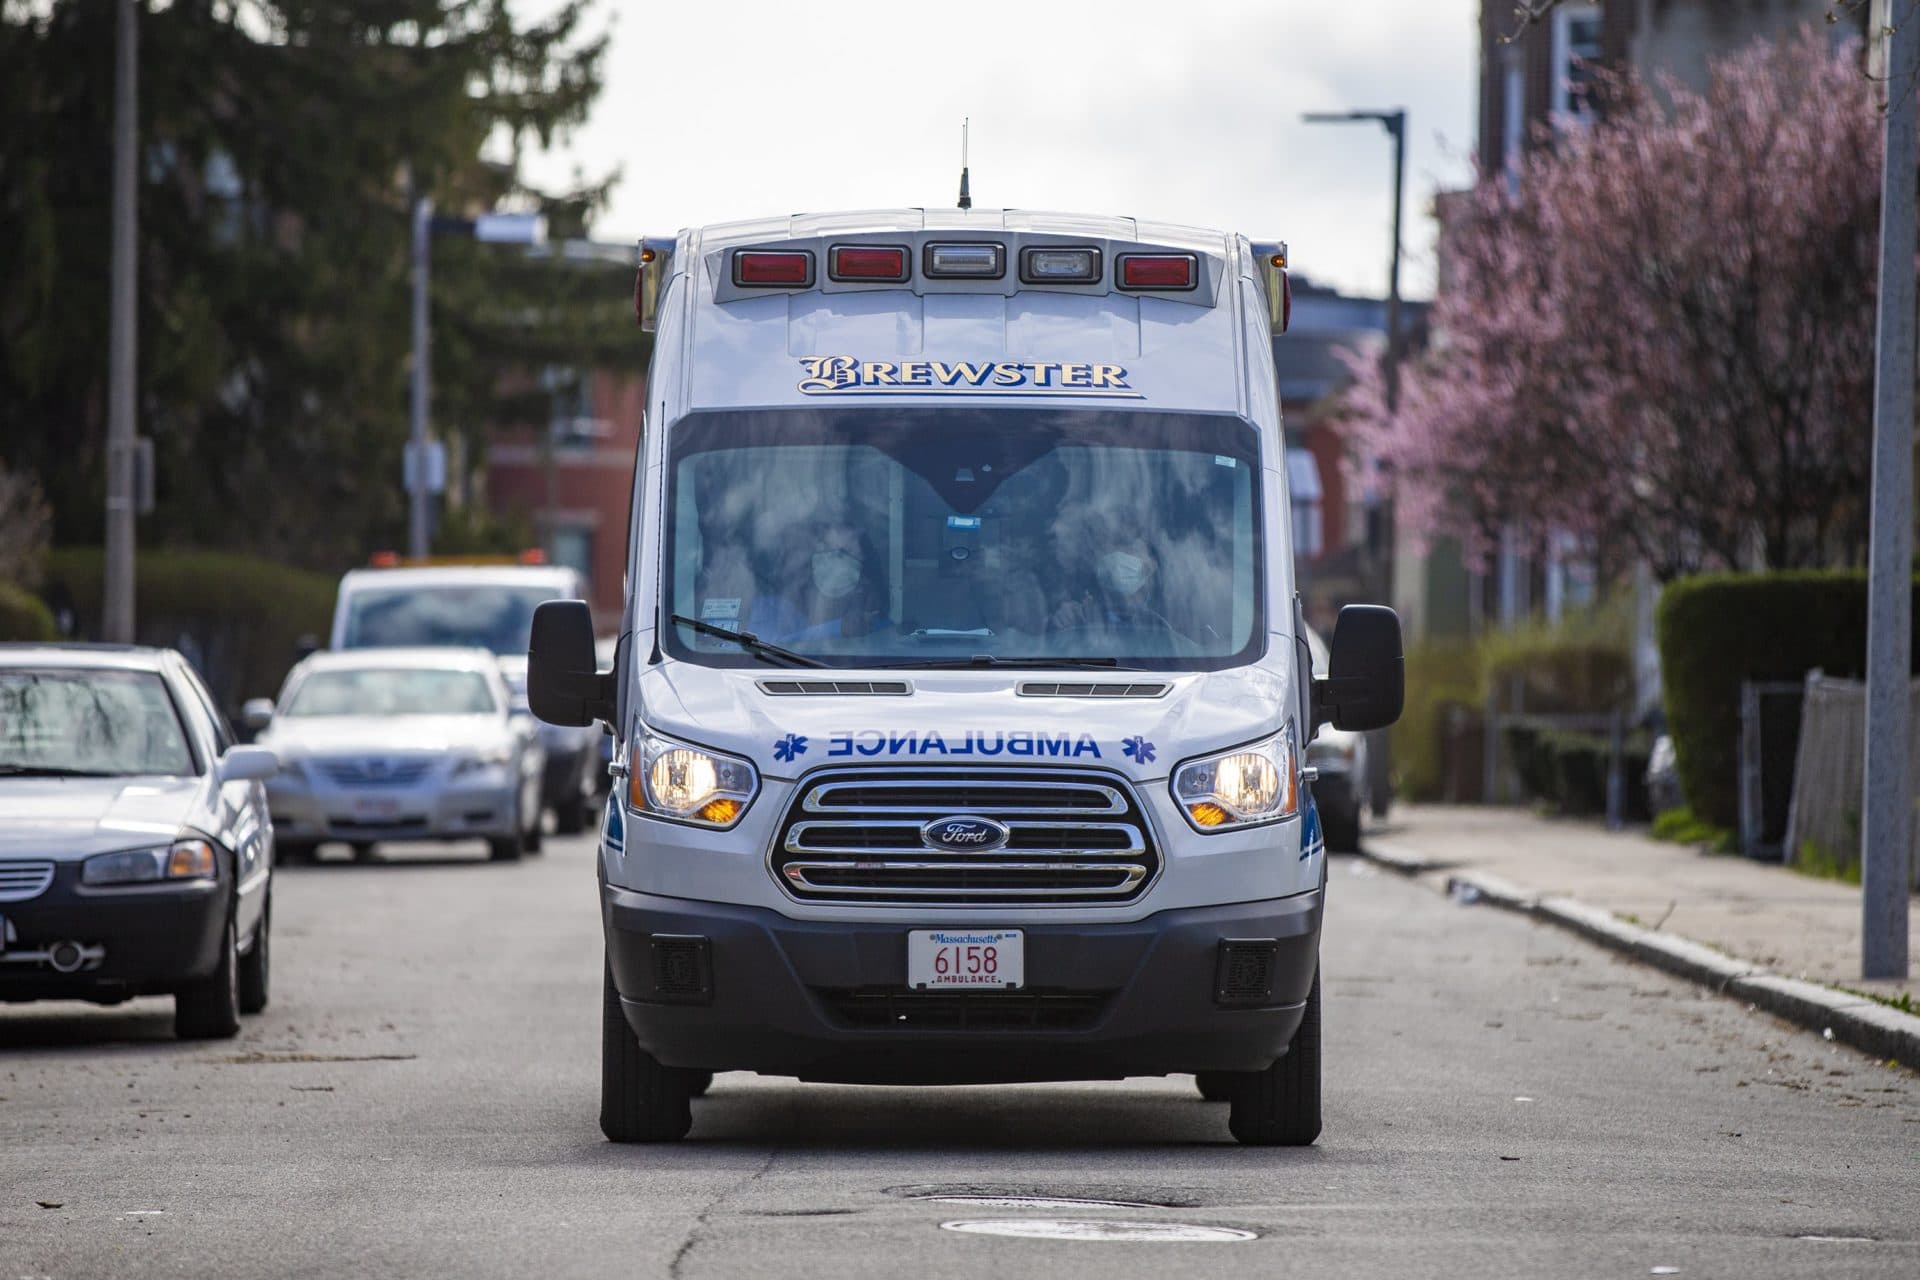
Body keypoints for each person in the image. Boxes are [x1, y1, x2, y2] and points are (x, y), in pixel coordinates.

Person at [1050, 534, 1176, 636]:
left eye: (1132, 549)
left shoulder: (1159, 629)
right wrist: (1061, 623)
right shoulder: (1078, 617)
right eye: (1121, 548)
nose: (1122, 556)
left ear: (1152, 568)